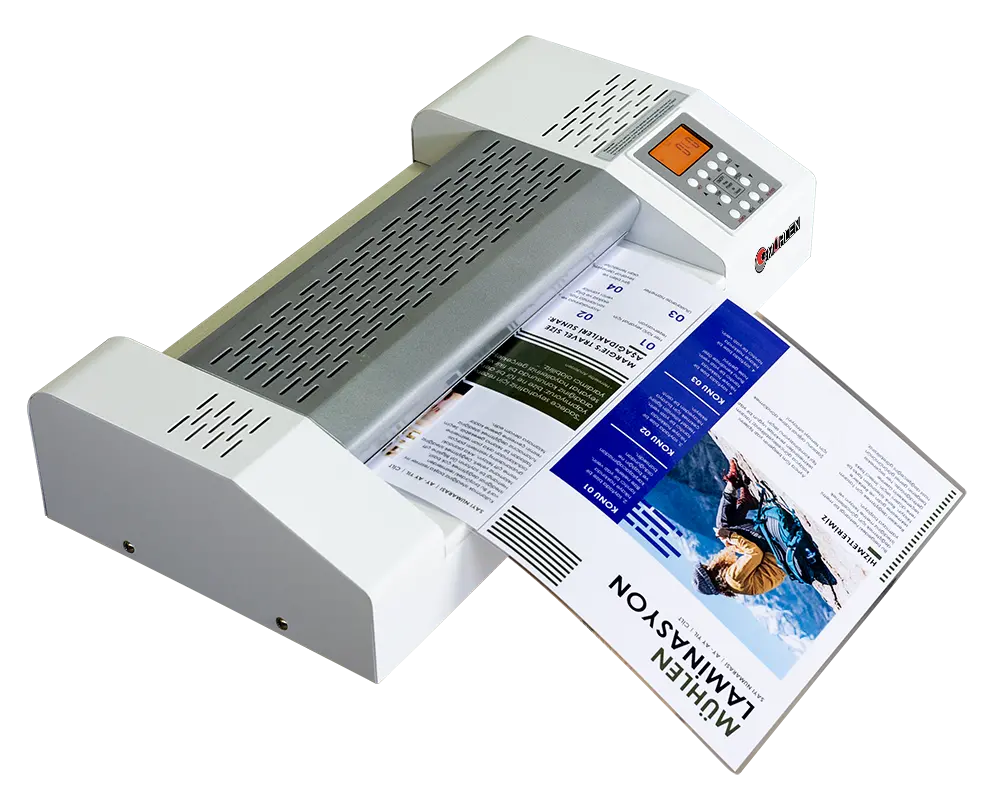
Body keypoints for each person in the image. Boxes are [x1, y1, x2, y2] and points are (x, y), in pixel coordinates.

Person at [692, 458, 786, 598]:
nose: (711, 562)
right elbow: (755, 553)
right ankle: (734, 485)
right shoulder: (732, 577)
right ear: (712, 574)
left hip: (776, 557)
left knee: (728, 535)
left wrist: (732, 542)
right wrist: (730, 536)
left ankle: (744, 500)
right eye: (707, 567)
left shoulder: (734, 585)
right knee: (723, 527)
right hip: (774, 551)